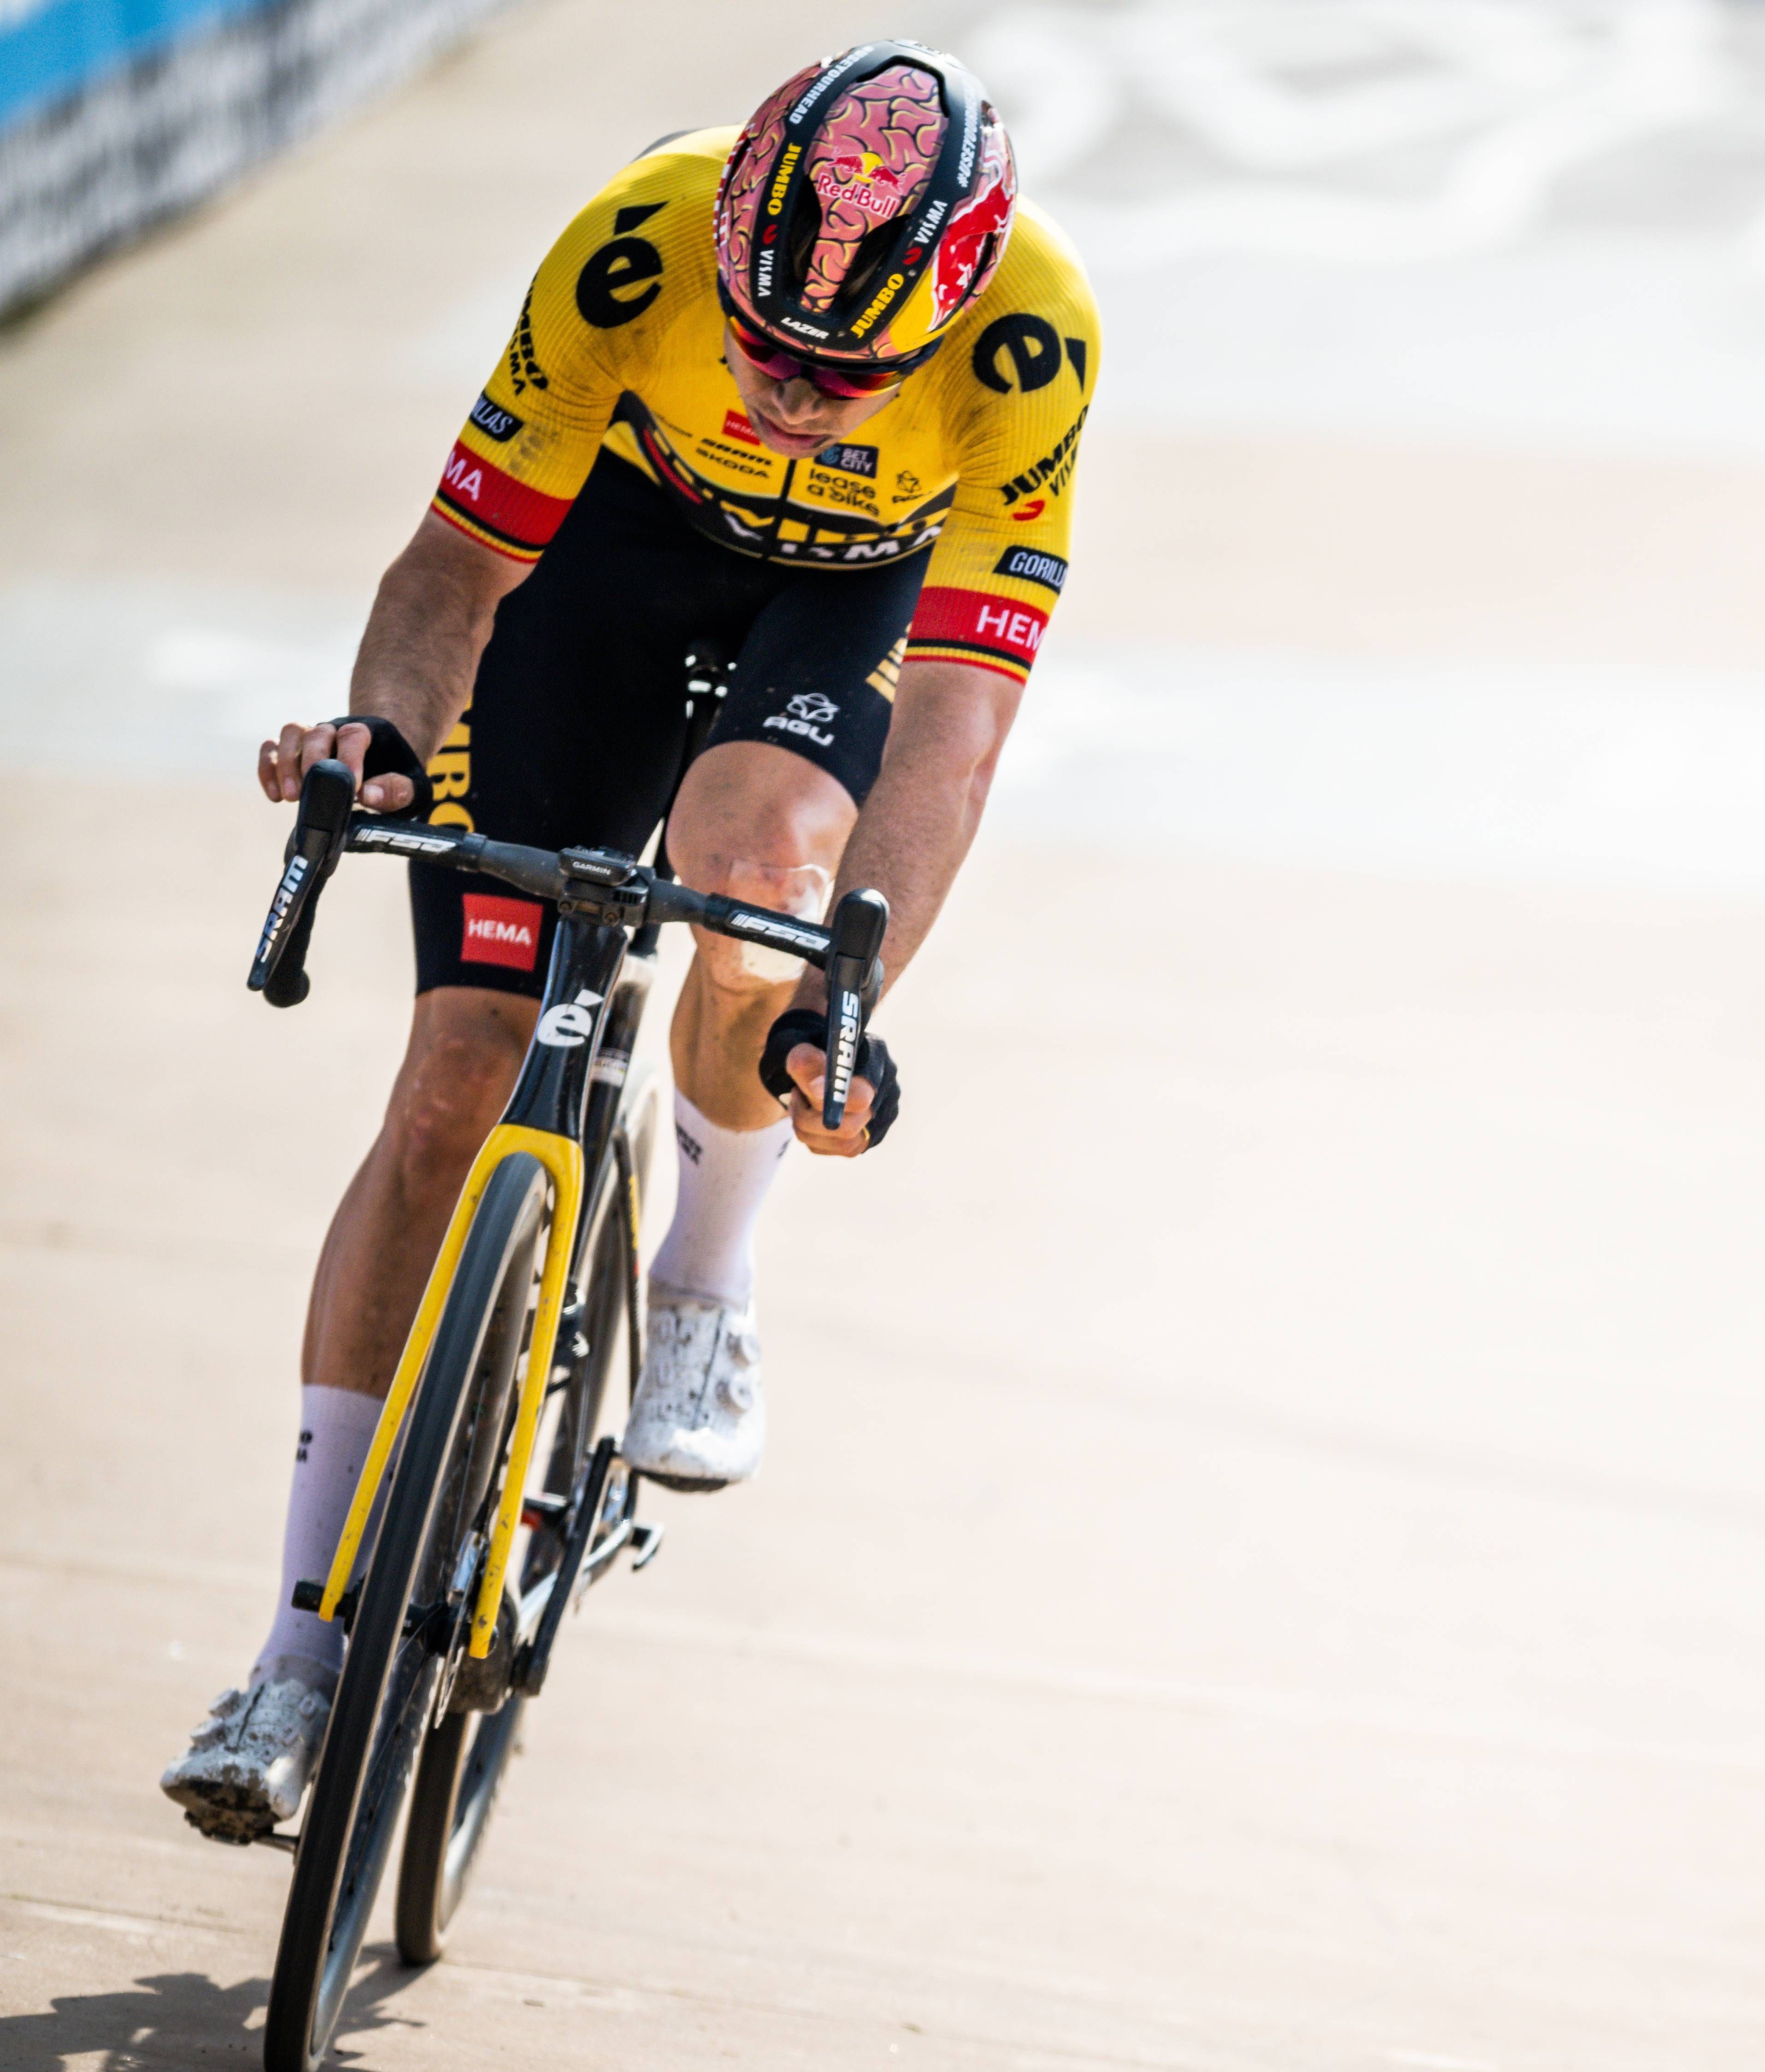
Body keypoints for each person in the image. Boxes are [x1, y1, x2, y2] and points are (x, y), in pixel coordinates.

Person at [161, 41, 1098, 1842]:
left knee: (749, 867)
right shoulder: (637, 239)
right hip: (613, 555)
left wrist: (842, 1001)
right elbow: (452, 569)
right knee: (451, 1079)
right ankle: (292, 1660)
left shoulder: (1029, 338)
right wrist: (381, 733)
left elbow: (957, 731)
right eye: (758, 340)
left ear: (948, 310)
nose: (789, 390)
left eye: (844, 370)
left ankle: (704, 1278)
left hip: (851, 600)